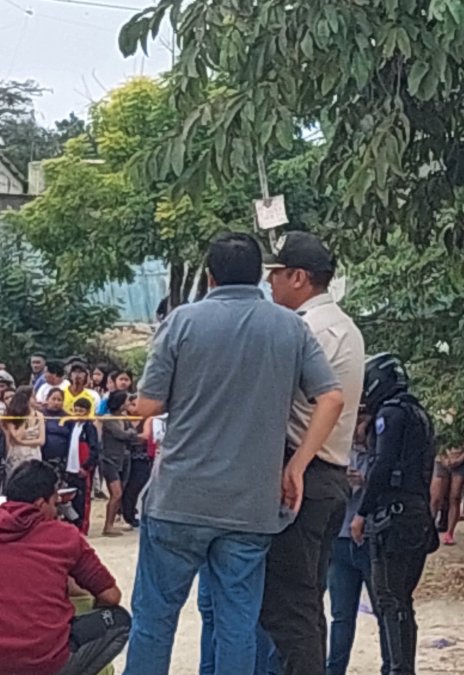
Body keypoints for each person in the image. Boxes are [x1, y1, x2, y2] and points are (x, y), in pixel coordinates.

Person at [124, 233, 344, 675]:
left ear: (210, 276)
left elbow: (148, 406)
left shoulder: (182, 322)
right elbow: (332, 398)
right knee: (237, 624)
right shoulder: (290, 327)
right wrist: (297, 466)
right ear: (260, 278)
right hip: (250, 506)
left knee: (155, 620)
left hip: (179, 501)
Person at [255, 231, 365, 675]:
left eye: (276, 274)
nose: (270, 284)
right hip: (331, 477)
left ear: (298, 277)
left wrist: (294, 465)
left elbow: (276, 398)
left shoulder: (304, 329)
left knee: (287, 608)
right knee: (306, 603)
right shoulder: (347, 327)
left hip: (303, 474)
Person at [0, 460, 131, 675]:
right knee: (120, 620)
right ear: (40, 503)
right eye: (55, 504)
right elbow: (111, 596)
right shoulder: (65, 536)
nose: (57, 512)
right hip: (45, 661)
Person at [350, 353, 437, 675]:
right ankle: (402, 668)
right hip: (416, 514)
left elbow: (382, 466)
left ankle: (399, 669)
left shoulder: (391, 414)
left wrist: (362, 512)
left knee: (390, 600)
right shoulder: (417, 413)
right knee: (401, 600)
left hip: (394, 517)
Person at [325, 413, 388, 675]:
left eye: (363, 420)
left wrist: (367, 484)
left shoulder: (382, 452)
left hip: (370, 540)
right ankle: (334, 669)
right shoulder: (337, 453)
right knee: (341, 615)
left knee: (383, 611)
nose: (358, 428)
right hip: (339, 540)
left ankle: (391, 667)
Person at [99, 391, 141, 537]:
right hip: (109, 459)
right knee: (116, 493)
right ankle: (107, 525)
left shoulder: (123, 418)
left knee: (119, 493)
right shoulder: (109, 419)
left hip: (124, 459)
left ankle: (110, 524)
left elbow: (131, 434)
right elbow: (122, 434)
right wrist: (131, 433)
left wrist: (131, 433)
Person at [60, 398, 102, 536]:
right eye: (76, 410)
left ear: (87, 412)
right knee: (69, 500)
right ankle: (71, 525)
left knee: (83, 500)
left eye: (82, 411)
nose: (78, 413)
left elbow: (94, 450)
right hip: (70, 468)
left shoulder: (90, 428)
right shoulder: (71, 426)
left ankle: (82, 528)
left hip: (82, 469)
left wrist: (86, 467)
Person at [121, 398, 154, 529]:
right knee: (124, 488)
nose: (134, 407)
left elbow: (146, 436)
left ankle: (130, 513)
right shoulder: (122, 419)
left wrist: (128, 436)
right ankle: (126, 515)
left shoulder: (146, 419)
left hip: (142, 458)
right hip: (125, 459)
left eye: (137, 404)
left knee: (136, 487)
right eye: (132, 404)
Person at [2, 386, 45, 470]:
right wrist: (25, 418)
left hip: (34, 453)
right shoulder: (11, 415)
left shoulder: (39, 415)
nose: (35, 399)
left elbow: (41, 441)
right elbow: (17, 436)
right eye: (33, 396)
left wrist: (22, 442)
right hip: (17, 453)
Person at [430, 447, 464, 545]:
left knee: (455, 496)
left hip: (460, 460)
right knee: (435, 498)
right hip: (442, 459)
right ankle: (430, 529)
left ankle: (449, 532)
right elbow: (438, 439)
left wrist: (459, 460)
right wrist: (443, 457)